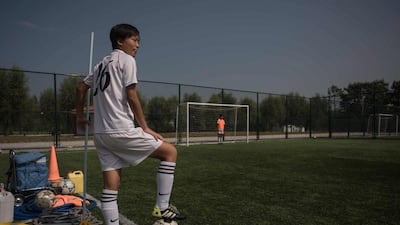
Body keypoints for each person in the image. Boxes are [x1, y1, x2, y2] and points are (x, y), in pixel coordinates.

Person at [75, 24, 185, 225]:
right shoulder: (127, 60)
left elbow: (81, 88)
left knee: (111, 185)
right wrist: (145, 127)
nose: (137, 45)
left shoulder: (100, 65)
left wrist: (80, 116)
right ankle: (162, 208)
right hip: (121, 129)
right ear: (120, 41)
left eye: (138, 41)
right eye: (134, 40)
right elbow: (132, 96)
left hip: (101, 134)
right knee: (170, 152)